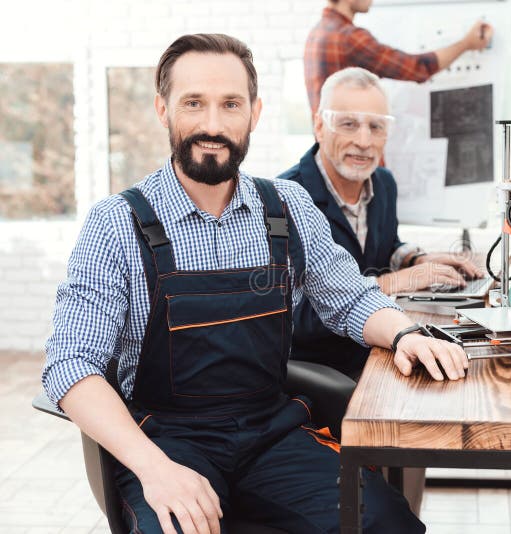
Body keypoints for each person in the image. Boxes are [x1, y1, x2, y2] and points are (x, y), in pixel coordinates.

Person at [42, 34, 469, 534]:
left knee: (385, 523)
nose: (213, 125)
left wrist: (405, 334)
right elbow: (70, 365)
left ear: (255, 112)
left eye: (230, 104)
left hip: (272, 435)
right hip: (167, 441)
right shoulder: (116, 224)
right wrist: (154, 469)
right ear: (163, 109)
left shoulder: (286, 207)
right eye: (193, 103)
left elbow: (349, 299)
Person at [280, 67, 481, 380]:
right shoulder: (287, 199)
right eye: (348, 124)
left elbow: (388, 246)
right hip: (326, 369)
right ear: (319, 126)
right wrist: (396, 281)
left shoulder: (383, 183)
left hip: (383, 348)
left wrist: (417, 259)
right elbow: (296, 316)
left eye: (376, 126)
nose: (364, 141)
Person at [304, 0, 494, 116]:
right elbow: (417, 68)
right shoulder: (350, 38)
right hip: (352, 153)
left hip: (330, 154)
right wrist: (466, 44)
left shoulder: (317, 32)